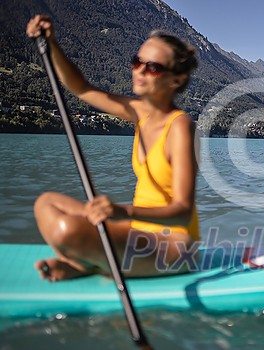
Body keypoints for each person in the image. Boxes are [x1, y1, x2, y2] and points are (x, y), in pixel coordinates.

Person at [26, 15, 200, 281]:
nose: (139, 71)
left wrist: (121, 212)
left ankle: (87, 264)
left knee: (66, 231)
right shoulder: (139, 112)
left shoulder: (180, 127)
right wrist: (51, 44)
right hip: (136, 230)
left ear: (175, 80)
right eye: (137, 62)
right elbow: (81, 89)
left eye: (152, 67)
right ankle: (93, 262)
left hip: (174, 245)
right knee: (46, 203)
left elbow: (183, 212)